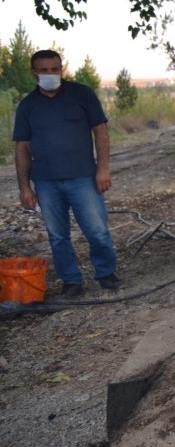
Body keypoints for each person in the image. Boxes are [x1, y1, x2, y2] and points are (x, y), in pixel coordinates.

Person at [13, 50, 121, 297]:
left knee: (97, 230)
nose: (50, 74)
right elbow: (21, 148)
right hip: (46, 182)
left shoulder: (82, 94)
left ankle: (106, 274)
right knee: (57, 236)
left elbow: (101, 132)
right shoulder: (28, 106)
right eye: (44, 70)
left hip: (83, 177)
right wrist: (25, 187)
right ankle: (71, 281)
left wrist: (103, 169)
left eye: (54, 69)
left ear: (62, 69)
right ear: (34, 73)